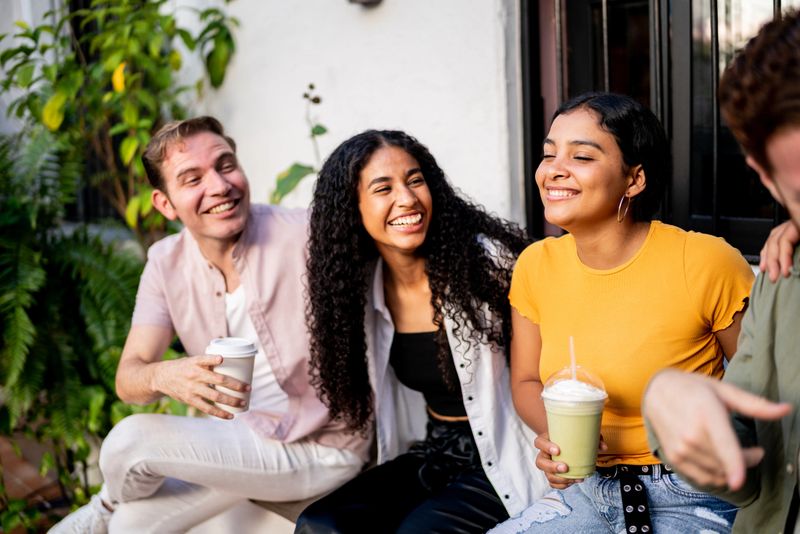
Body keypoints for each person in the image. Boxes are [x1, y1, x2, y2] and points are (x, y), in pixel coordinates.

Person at [50, 117, 368, 533]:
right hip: (240, 440)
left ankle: (105, 504)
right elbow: (129, 378)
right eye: (192, 178)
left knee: (130, 440)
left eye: (225, 164)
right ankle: (113, 511)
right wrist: (165, 374)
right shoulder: (165, 263)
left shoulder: (306, 235)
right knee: (131, 527)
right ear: (165, 204)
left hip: (321, 446)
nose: (219, 186)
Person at [490, 92, 754, 534]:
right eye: (549, 153)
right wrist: (558, 441)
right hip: (585, 491)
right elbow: (526, 382)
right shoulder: (535, 265)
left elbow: (766, 392)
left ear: (634, 179)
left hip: (693, 491)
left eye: (582, 156)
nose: (554, 169)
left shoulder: (704, 261)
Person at [293, 130, 549, 533]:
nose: (408, 199)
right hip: (437, 450)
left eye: (415, 180)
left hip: (505, 451)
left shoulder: (488, 265)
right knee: (319, 524)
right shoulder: (362, 288)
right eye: (383, 188)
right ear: (352, 209)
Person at [643, 10, 800, 533]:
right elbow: (751, 472)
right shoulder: (783, 276)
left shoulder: (713, 260)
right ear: (763, 175)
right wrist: (670, 400)